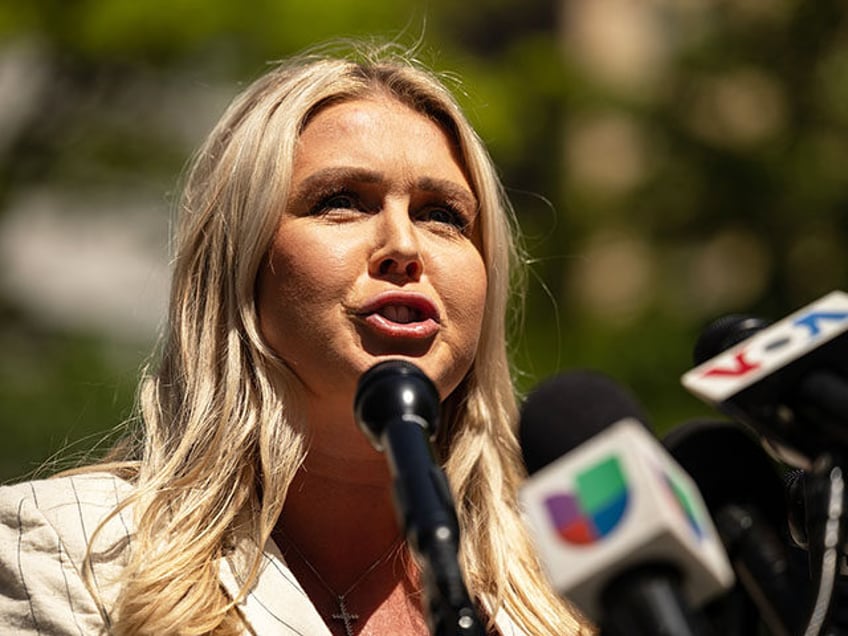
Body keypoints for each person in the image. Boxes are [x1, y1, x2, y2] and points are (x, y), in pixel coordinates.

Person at [0, 42, 591, 635]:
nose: (405, 247)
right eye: (340, 202)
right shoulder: (66, 554)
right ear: (240, 265)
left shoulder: (587, 582)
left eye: (443, 215)